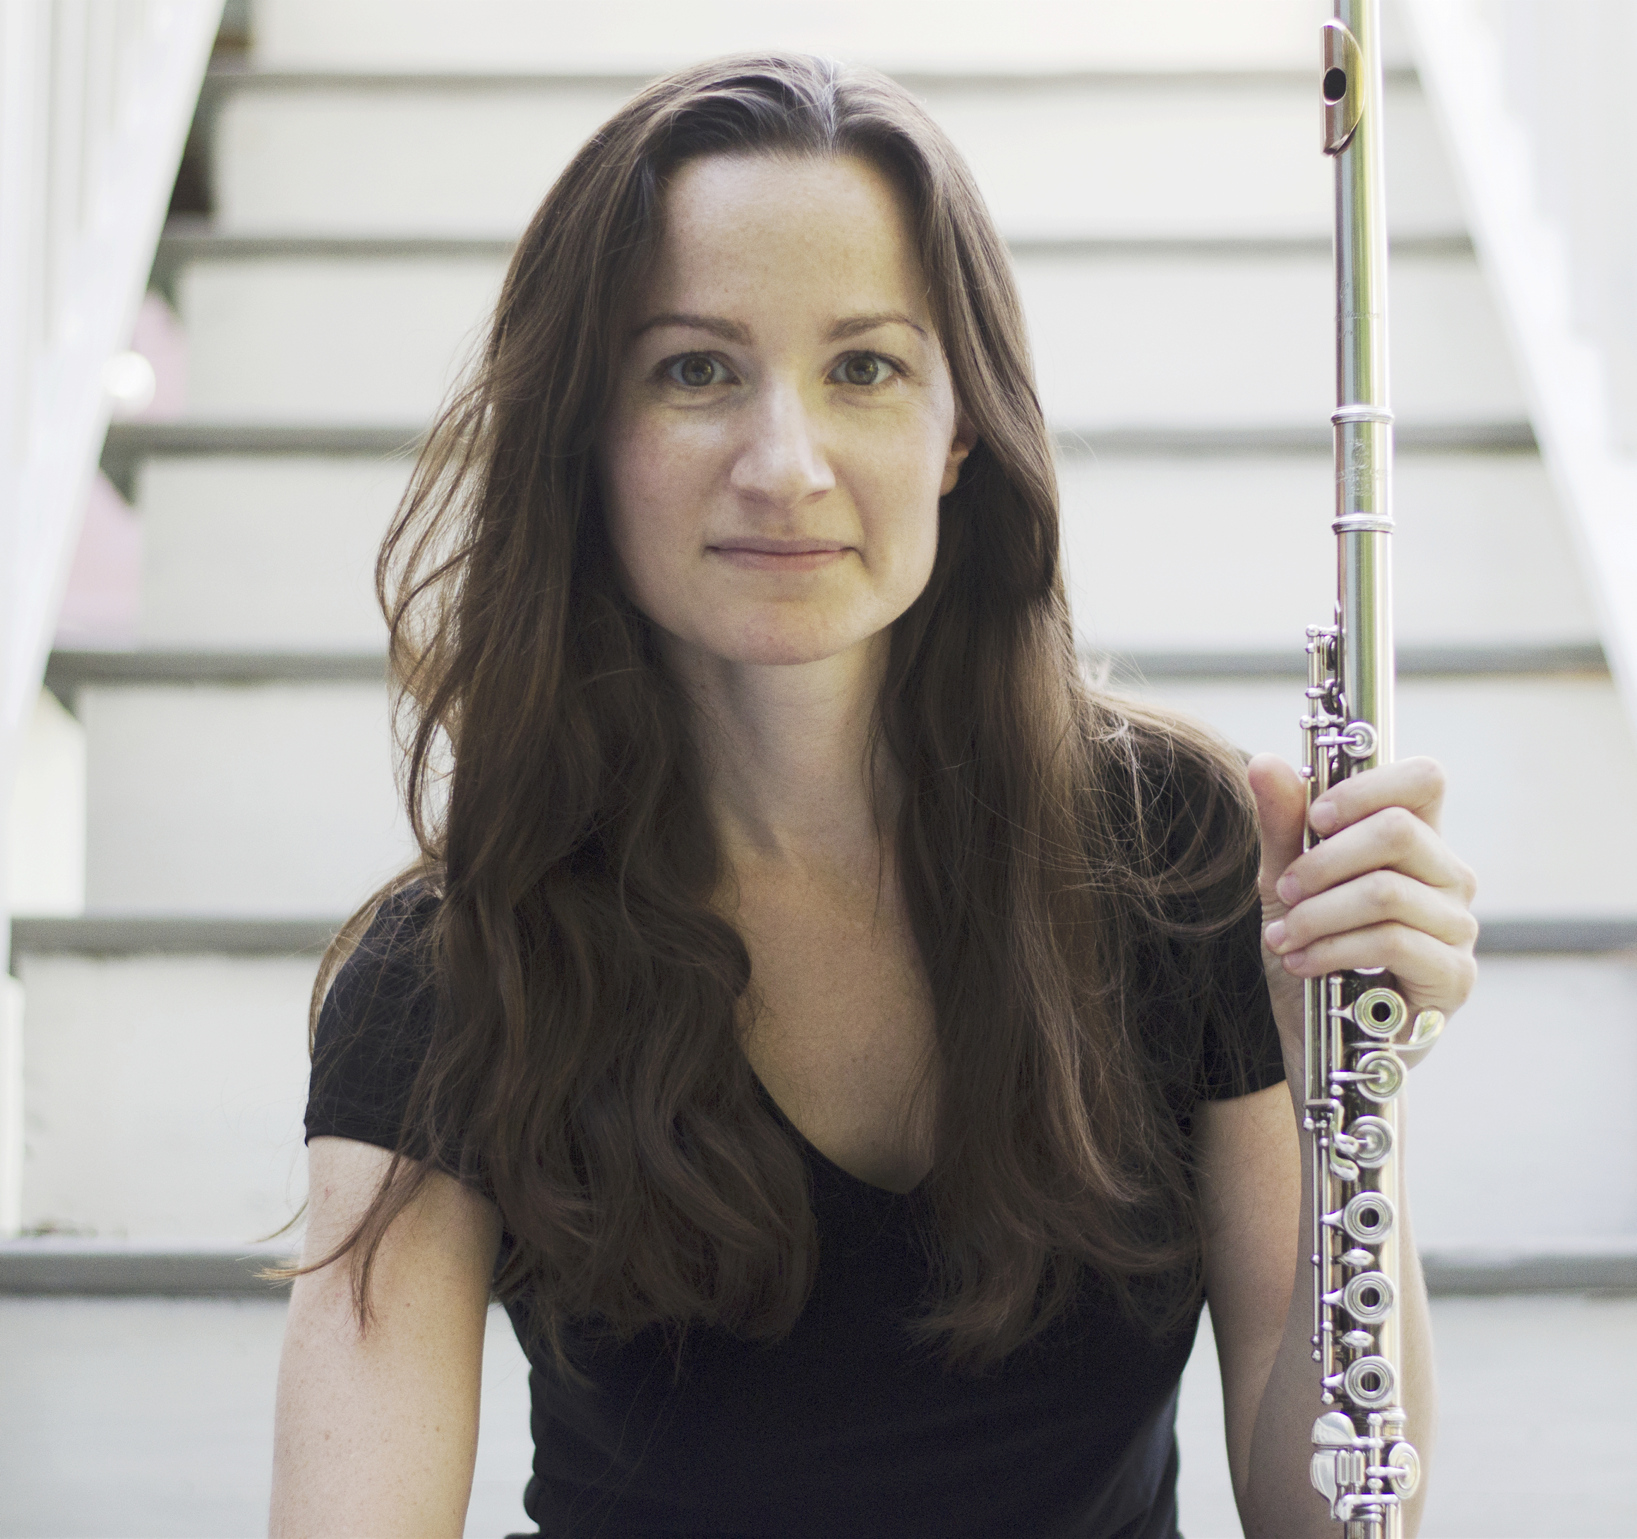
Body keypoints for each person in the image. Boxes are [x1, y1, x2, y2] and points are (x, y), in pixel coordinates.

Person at [267, 54, 1477, 1539]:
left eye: (865, 368)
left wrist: (1345, 1085)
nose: (786, 466)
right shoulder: (455, 969)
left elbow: (1327, 1519)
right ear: (586, 434)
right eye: (694, 369)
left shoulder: (1177, 855)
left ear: (961, 427)